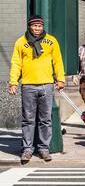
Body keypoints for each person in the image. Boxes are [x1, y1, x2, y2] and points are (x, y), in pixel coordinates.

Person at [9, 15, 65, 163]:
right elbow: (16, 63)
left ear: (42, 26)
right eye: (34, 26)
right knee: (28, 119)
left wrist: (60, 79)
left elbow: (58, 61)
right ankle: (27, 149)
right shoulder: (21, 42)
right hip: (28, 85)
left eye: (39, 26)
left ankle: (44, 149)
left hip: (46, 85)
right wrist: (13, 82)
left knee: (45, 119)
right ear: (30, 26)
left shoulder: (51, 41)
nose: (37, 28)